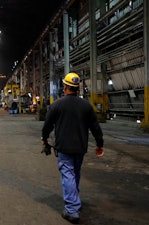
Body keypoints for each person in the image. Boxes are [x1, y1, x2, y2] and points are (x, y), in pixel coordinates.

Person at [41, 72, 104, 224]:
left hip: (64, 147)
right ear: (77, 87)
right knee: (75, 173)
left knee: (68, 175)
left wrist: (44, 138)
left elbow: (47, 125)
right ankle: (75, 201)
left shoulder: (57, 105)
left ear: (65, 87)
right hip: (80, 147)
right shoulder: (86, 106)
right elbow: (95, 127)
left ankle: (72, 210)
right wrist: (99, 144)